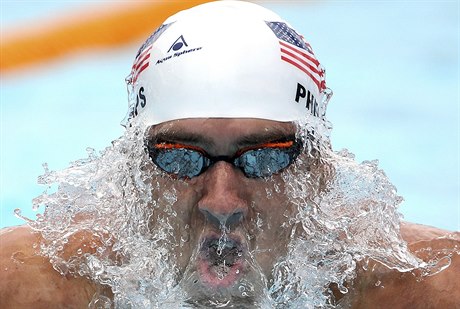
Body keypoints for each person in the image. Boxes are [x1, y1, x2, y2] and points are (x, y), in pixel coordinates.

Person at [1, 1, 458, 308]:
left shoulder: (429, 285)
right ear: (132, 173)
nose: (221, 203)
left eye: (264, 157)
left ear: (318, 172)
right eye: (180, 156)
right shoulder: (29, 283)